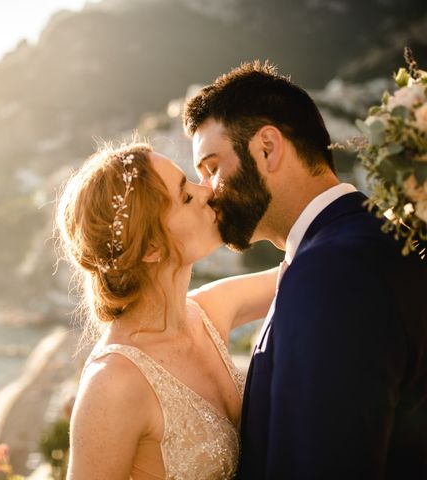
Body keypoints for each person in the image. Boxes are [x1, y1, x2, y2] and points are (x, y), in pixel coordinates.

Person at [183, 61, 427, 479]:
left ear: (267, 148)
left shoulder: (329, 273)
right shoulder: (366, 241)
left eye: (211, 167)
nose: (207, 192)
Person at [56, 142, 278, 479]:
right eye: (186, 197)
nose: (206, 192)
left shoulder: (209, 311)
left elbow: (310, 266)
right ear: (150, 247)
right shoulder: (113, 383)